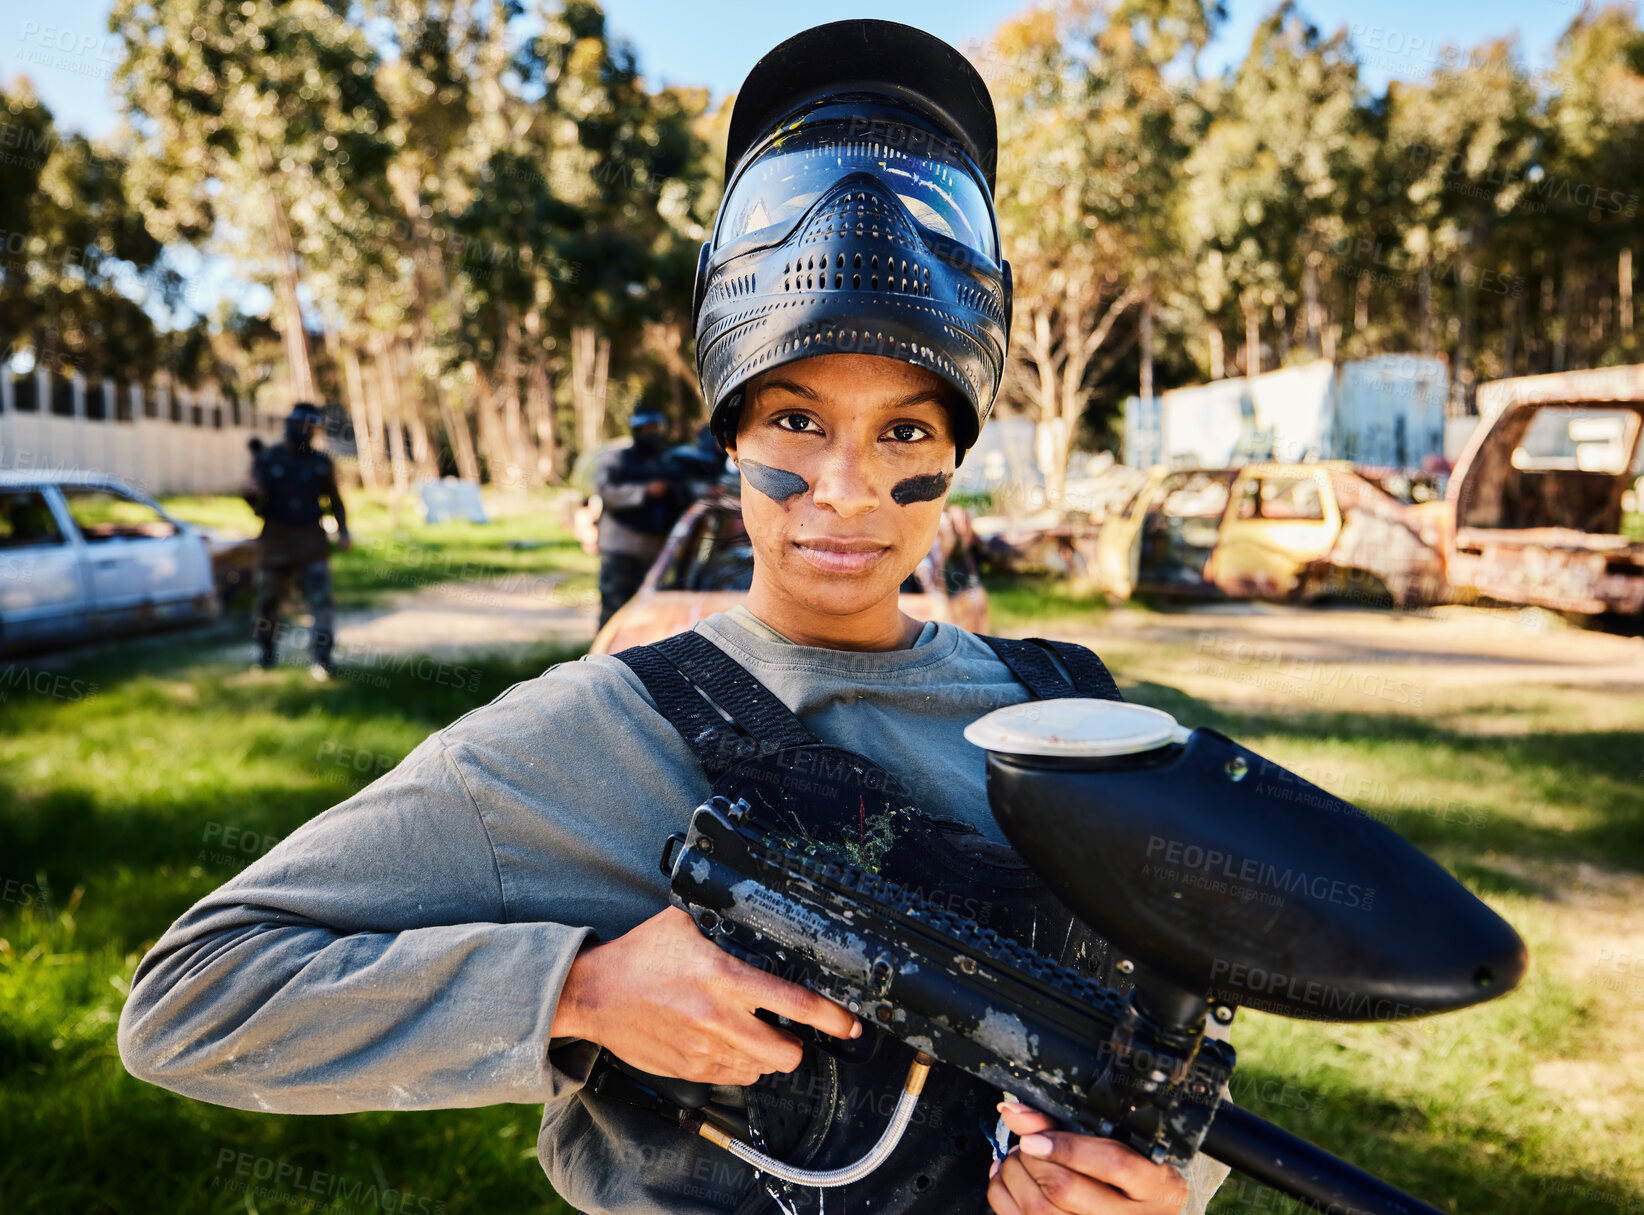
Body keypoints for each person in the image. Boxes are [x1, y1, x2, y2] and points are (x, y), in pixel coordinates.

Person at [118, 21, 1228, 1215]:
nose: (846, 490)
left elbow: (1178, 1081)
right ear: (732, 443)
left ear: (956, 456)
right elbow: (193, 1000)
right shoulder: (593, 735)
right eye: (796, 422)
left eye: (904, 429)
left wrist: (1149, 1189)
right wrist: (577, 992)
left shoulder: (1072, 721)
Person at [245, 402, 352, 678]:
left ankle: (323, 659)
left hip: (311, 544)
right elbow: (254, 499)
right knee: (268, 602)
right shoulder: (269, 458)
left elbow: (335, 500)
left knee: (321, 603)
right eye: (299, 425)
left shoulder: (320, 462)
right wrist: (250, 493)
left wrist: (343, 531)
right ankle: (266, 652)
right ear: (289, 425)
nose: (303, 431)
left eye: (309, 427)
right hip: (276, 543)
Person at [593, 408, 694, 628]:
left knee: (647, 614)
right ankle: (604, 657)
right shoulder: (618, 458)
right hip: (621, 547)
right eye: (646, 430)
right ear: (636, 431)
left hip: (656, 550)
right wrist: (644, 491)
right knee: (615, 609)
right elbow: (604, 490)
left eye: (656, 429)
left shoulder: (667, 462)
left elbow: (686, 492)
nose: (652, 435)